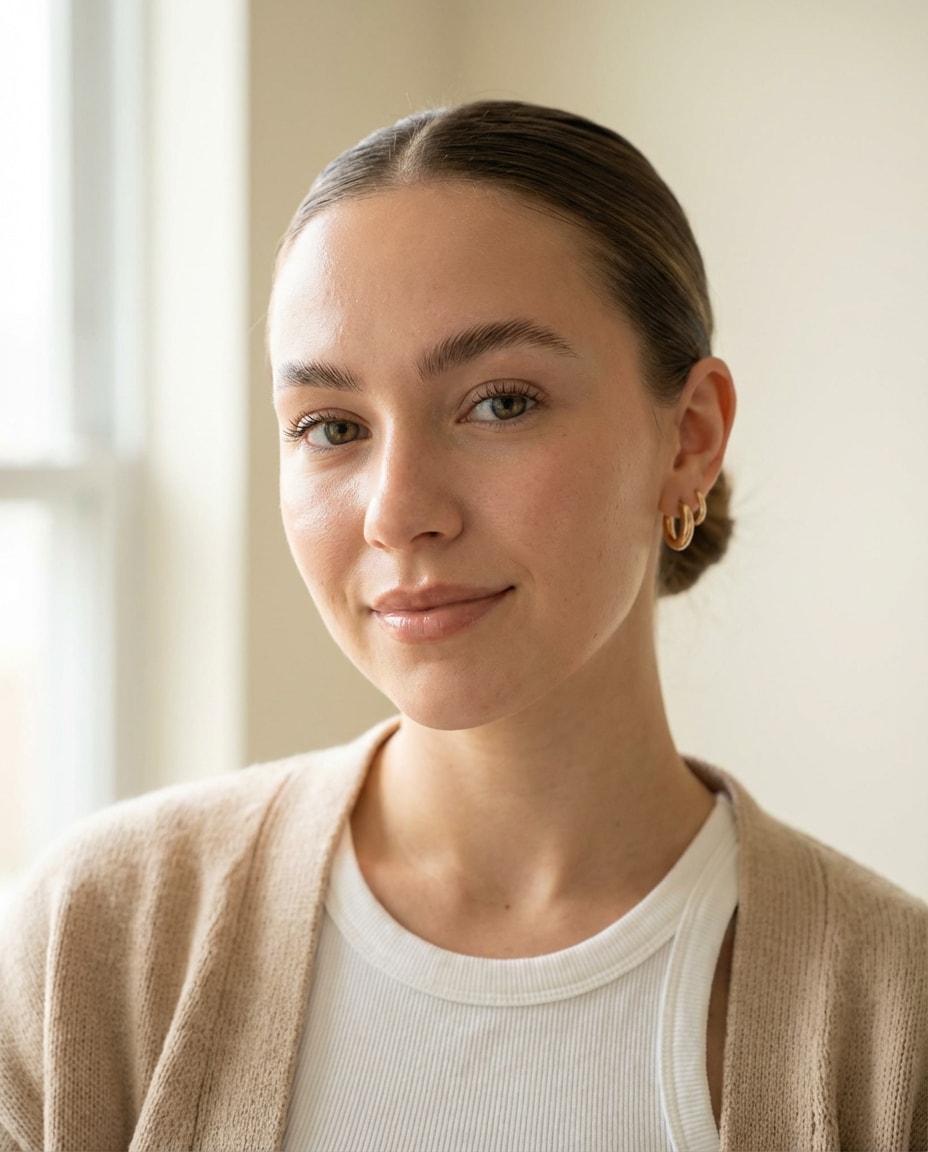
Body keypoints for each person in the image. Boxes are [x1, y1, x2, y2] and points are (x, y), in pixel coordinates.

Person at [0, 101, 924, 1152]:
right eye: (332, 427)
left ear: (689, 440)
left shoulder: (896, 1022)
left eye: (500, 403)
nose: (397, 512)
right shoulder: (98, 939)